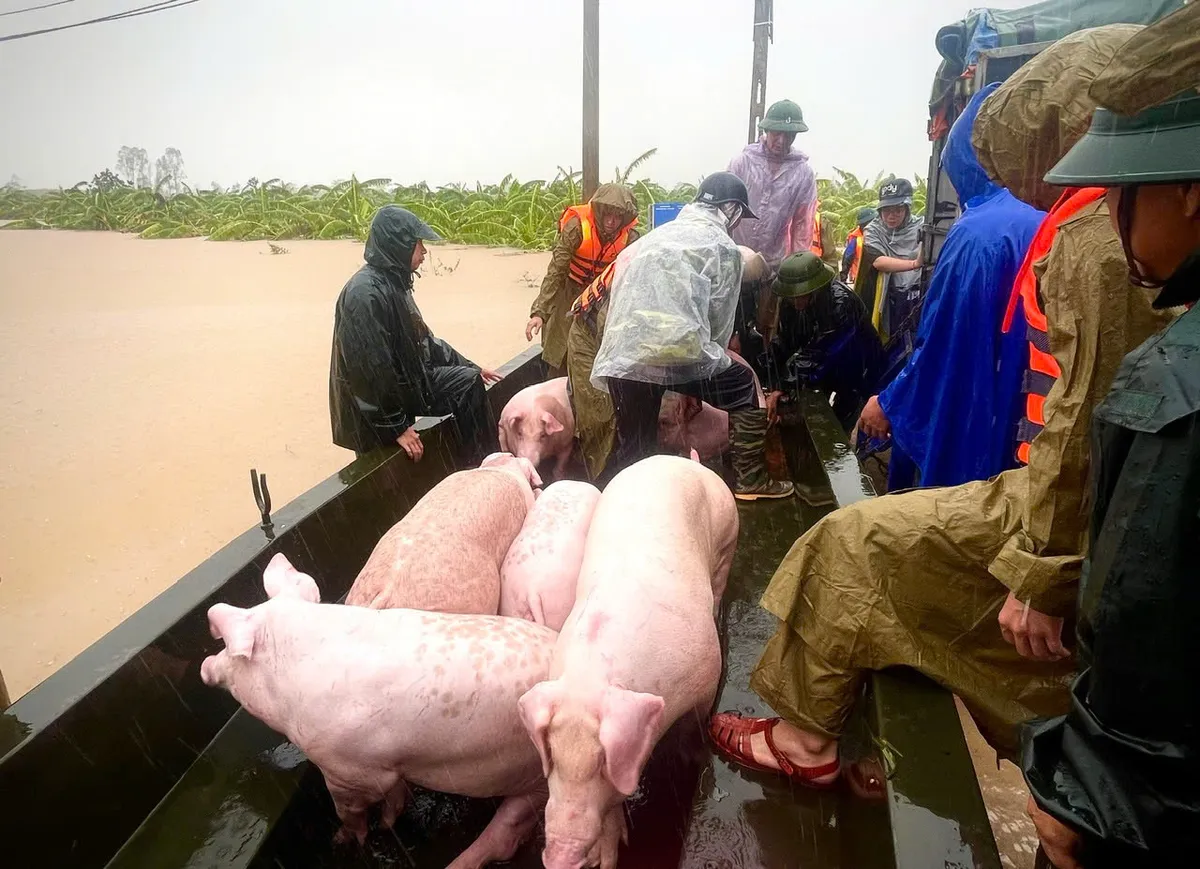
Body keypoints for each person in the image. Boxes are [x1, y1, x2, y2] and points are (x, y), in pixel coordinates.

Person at [705, 24, 1173, 785]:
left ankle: (803, 739)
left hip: (1053, 495)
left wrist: (1043, 571)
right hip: (1043, 462)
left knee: (846, 540)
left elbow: (1026, 385)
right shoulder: (1056, 224)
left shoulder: (1075, 231)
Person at [1019, 11, 1200, 865]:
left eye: (1125, 191)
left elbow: (1133, 619)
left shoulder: (1174, 385)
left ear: (1188, 193)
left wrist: (1088, 797)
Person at [856, 83, 1044, 491]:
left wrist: (890, 401)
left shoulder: (979, 233)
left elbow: (946, 343)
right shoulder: (1047, 214)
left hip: (984, 419)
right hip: (1033, 420)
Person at [591, 172, 794, 500]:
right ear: (730, 209)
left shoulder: (652, 239)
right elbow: (718, 324)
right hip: (680, 352)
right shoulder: (722, 247)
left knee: (634, 445)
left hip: (622, 356)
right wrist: (699, 376)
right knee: (742, 383)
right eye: (739, 213)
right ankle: (751, 481)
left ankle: (616, 501)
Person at [329, 205, 502, 463]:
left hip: (402, 387)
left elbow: (425, 343)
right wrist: (395, 427)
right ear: (399, 245)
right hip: (371, 413)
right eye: (418, 243)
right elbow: (368, 371)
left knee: (466, 383)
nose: (424, 251)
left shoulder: (396, 283)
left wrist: (471, 367)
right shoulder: (364, 294)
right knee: (382, 472)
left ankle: (485, 466)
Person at [728, 99, 819, 366]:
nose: (781, 139)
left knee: (768, 324)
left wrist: (798, 266)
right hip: (735, 257)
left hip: (774, 261)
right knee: (729, 323)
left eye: (788, 134)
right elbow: (724, 209)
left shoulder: (802, 173)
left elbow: (804, 222)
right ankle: (728, 373)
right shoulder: (742, 162)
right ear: (765, 131)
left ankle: (764, 375)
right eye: (776, 133)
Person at [761, 252, 885, 432]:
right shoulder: (790, 304)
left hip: (859, 367)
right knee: (809, 411)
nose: (796, 301)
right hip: (825, 365)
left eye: (801, 295)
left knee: (841, 422)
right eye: (791, 296)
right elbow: (785, 341)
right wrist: (767, 377)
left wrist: (783, 385)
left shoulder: (841, 304)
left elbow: (820, 353)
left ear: (815, 289)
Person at [525, 184, 639, 377]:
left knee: (595, 353)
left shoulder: (631, 238)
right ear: (599, 212)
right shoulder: (576, 227)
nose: (612, 221)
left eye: (618, 216)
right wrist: (539, 313)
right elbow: (556, 271)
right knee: (558, 350)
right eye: (608, 214)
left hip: (601, 298)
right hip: (569, 290)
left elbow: (634, 281)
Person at [855, 178, 924, 344]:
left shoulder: (923, 226)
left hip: (917, 293)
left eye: (897, 210)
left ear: (907, 208)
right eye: (886, 210)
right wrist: (915, 264)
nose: (891, 216)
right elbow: (878, 261)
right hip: (888, 296)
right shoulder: (873, 229)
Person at [840, 207, 877, 284]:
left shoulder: (883, 234)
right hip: (862, 278)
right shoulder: (856, 239)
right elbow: (847, 258)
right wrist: (843, 279)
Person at [808, 200, 839, 268]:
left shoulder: (783, 216)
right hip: (813, 265)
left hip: (788, 268)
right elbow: (830, 253)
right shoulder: (821, 220)